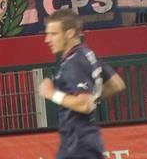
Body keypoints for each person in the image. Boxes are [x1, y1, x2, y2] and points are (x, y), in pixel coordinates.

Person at [38, 9, 126, 159]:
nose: (47, 40)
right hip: (85, 140)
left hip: (77, 144)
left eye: (53, 34)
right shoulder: (87, 54)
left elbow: (84, 104)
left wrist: (51, 93)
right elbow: (116, 84)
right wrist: (89, 98)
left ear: (70, 33)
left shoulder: (74, 62)